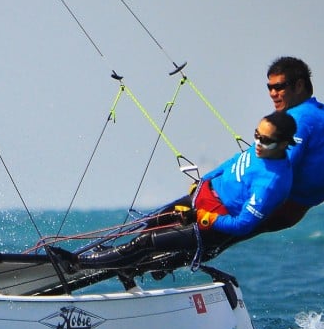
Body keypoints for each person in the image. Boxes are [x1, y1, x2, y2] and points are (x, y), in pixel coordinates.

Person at [69, 111, 297, 270]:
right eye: (256, 135)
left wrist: (201, 217)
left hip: (214, 221)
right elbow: (231, 163)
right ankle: (118, 262)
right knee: (148, 222)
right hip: (202, 198)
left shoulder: (272, 182)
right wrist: (203, 181)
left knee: (146, 243)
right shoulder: (260, 150)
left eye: (265, 141)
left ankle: (77, 264)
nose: (257, 143)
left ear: (285, 143)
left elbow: (243, 225)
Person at [262, 56, 324, 231]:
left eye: (279, 87)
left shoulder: (298, 119)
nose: (272, 93)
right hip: (305, 203)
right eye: (269, 87)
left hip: (285, 206)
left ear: (299, 86)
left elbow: (280, 169)